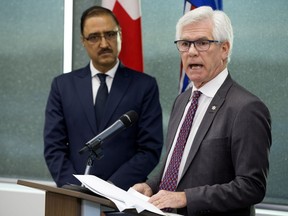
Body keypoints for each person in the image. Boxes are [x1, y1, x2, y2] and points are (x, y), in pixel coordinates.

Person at [133, 6, 272, 216]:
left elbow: (252, 186)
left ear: (224, 49)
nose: (191, 51)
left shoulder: (246, 108)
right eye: (185, 43)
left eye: (202, 43)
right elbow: (177, 160)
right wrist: (151, 185)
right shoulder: (182, 101)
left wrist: (187, 197)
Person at [44, 6, 163, 191]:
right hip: (74, 198)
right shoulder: (63, 86)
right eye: (94, 37)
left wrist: (111, 188)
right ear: (83, 41)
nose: (104, 44)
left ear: (120, 35)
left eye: (110, 34)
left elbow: (149, 149)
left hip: (124, 197)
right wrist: (78, 191)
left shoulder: (144, 86)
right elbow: (54, 147)